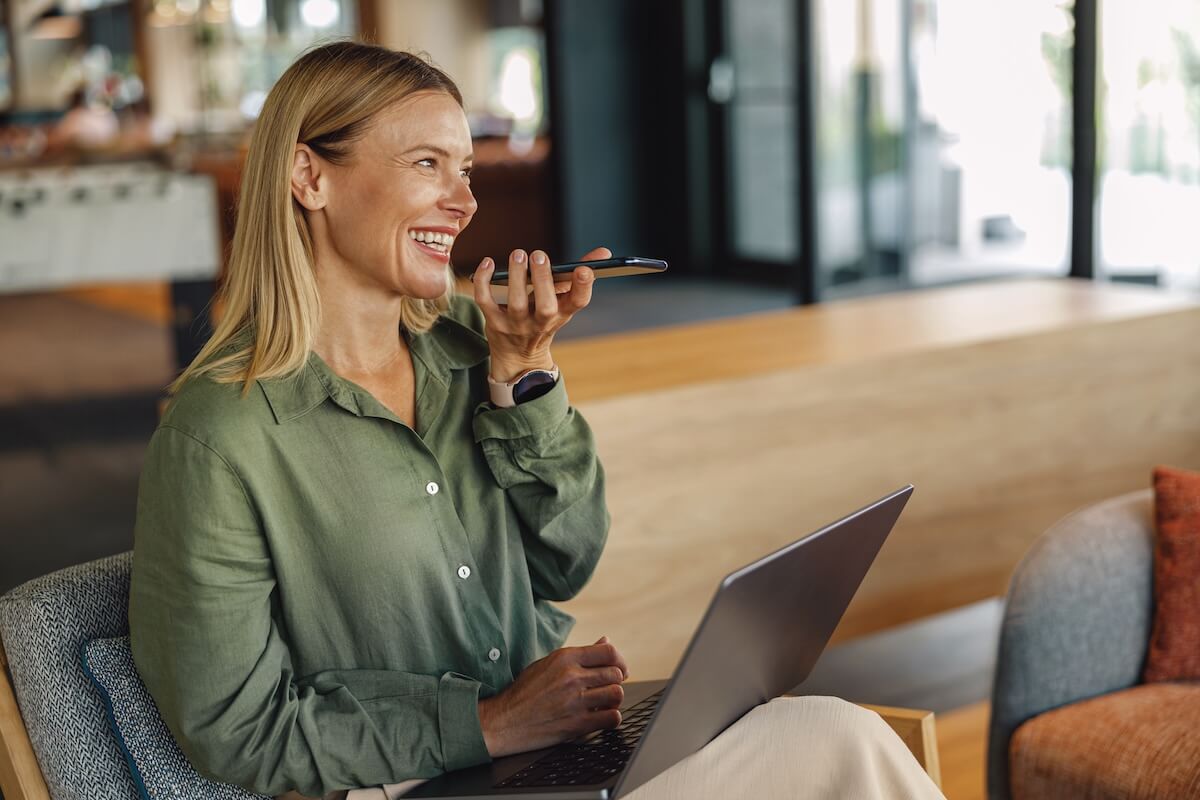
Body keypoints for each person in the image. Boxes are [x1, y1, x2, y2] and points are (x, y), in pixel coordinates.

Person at [129, 42, 945, 800]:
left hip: (541, 766)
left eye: (465, 169)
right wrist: (488, 723)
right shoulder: (220, 438)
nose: (464, 201)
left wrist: (523, 376)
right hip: (410, 783)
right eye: (427, 165)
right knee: (837, 739)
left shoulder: (471, 353)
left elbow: (570, 561)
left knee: (828, 733)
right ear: (309, 177)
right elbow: (232, 728)